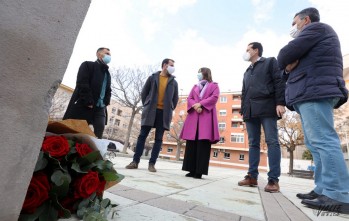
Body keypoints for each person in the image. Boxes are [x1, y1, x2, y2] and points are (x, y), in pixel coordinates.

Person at [277, 7, 349, 213]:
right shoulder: (315, 35)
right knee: (314, 143)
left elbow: (284, 55)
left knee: (323, 140)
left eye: (294, 23)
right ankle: (323, 188)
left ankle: (338, 194)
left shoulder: (316, 29)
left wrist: (287, 65)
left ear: (305, 20)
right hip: (310, 91)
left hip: (315, 90)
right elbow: (284, 70)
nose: (293, 28)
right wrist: (287, 68)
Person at [238, 42, 286, 193]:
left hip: (267, 106)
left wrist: (280, 102)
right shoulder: (247, 71)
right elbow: (244, 92)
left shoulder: (270, 61)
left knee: (272, 141)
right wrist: (243, 110)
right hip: (250, 111)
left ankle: (273, 180)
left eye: (248, 49)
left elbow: (279, 81)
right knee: (253, 143)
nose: (245, 52)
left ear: (256, 50)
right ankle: (252, 176)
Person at [125, 59, 179, 172]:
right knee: (142, 136)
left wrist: (170, 108)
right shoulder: (153, 77)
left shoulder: (174, 82)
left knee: (158, 139)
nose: (173, 67)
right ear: (164, 65)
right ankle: (135, 162)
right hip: (150, 110)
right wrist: (147, 104)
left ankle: (152, 164)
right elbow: (144, 92)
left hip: (163, 113)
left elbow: (175, 99)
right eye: (171, 65)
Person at [180, 67, 220, 179]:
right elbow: (190, 98)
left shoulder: (214, 85)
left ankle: (199, 171)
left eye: (200, 72)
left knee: (203, 142)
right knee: (191, 142)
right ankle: (191, 169)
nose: (198, 74)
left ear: (205, 73)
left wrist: (201, 104)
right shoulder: (195, 86)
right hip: (194, 116)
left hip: (206, 115)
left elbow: (214, 97)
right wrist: (195, 105)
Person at [63, 48, 112, 139]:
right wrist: (88, 100)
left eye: (110, 55)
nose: (109, 56)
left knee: (100, 128)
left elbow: (108, 89)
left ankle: (94, 151)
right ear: (99, 54)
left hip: (100, 107)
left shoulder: (107, 73)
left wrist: (106, 101)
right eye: (107, 53)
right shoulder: (87, 65)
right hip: (86, 104)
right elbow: (82, 83)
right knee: (77, 131)